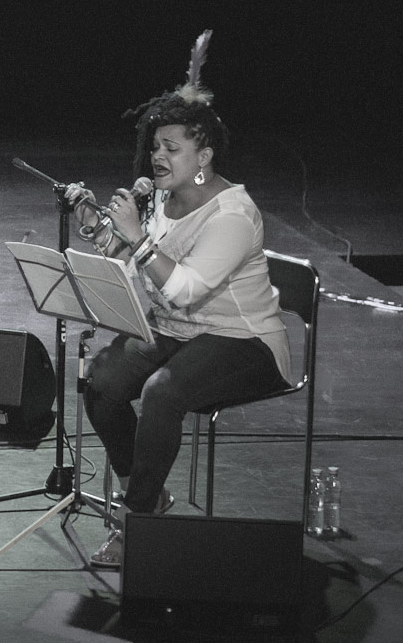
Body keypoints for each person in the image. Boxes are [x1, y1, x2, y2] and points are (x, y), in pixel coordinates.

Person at [81, 78, 294, 568]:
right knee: (102, 380)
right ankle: (146, 493)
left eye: (171, 148)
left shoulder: (232, 215)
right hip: (178, 331)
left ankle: (136, 524)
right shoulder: (164, 198)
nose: (158, 156)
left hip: (244, 340)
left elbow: (187, 289)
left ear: (204, 156)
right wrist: (96, 225)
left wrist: (138, 240)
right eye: (155, 146)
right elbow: (135, 263)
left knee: (162, 392)